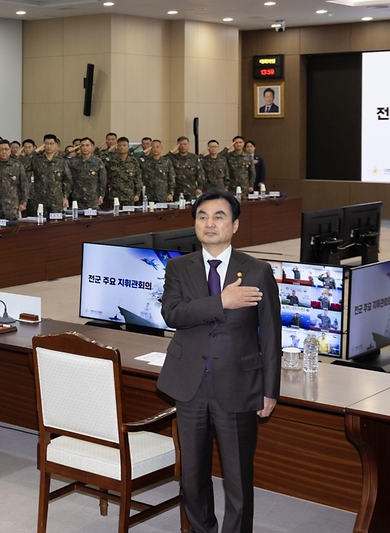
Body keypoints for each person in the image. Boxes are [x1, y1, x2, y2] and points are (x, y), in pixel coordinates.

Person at [158, 189, 280, 533]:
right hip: (189, 385)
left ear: (235, 225)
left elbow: (270, 334)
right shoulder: (178, 267)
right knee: (192, 477)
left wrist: (270, 390)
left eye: (219, 216)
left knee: (237, 479)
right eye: (202, 216)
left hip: (238, 385)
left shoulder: (257, 271)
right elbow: (173, 314)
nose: (210, 223)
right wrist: (222, 302)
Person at [27, 134, 71, 215]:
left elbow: (67, 180)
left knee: (56, 224)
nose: (49, 146)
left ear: (56, 145)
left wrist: (65, 197)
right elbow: (24, 165)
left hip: (56, 200)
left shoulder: (61, 161)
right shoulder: (37, 160)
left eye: (51, 144)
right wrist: (35, 152)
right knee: (40, 224)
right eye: (46, 144)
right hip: (39, 199)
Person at [0, 139, 29, 221]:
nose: (4, 152)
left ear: (10, 150)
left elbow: (24, 185)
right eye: (1, 149)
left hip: (11, 206)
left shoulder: (17, 165)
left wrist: (24, 202)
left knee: (12, 230)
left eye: (6, 149)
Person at [67, 137, 106, 209]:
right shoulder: (73, 161)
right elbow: (60, 159)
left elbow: (102, 180)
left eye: (87, 145)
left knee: (94, 219)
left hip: (93, 198)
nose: (84, 148)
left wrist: (101, 196)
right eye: (82, 145)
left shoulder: (98, 161)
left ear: (92, 147)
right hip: (78, 198)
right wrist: (70, 150)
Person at [105, 137, 143, 206]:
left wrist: (137, 194)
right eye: (120, 145)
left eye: (124, 145)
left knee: (128, 216)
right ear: (117, 147)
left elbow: (138, 179)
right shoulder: (112, 162)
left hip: (129, 197)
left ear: (128, 147)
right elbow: (107, 178)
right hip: (115, 197)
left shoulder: (133, 162)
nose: (122, 147)